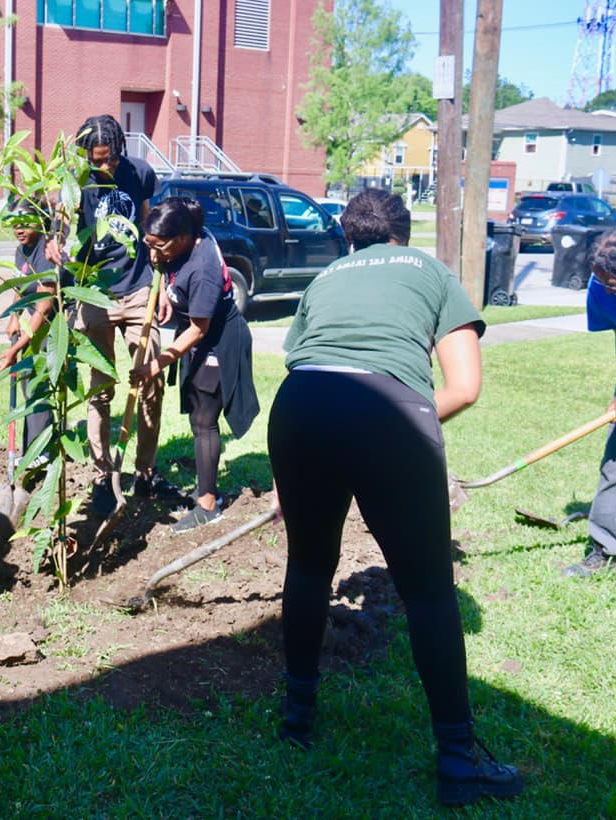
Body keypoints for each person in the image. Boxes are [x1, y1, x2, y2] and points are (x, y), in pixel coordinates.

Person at [266, 189, 522, 806]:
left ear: (347, 238)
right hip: (385, 411)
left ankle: (297, 718)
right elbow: (464, 386)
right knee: (430, 589)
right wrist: (401, 435)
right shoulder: (430, 270)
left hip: (299, 410)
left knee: (307, 565)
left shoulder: (326, 276)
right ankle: (459, 761)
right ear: (402, 235)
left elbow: (305, 364)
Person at [46, 114, 172, 512]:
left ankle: (145, 472)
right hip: (94, 293)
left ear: (122, 149)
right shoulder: (76, 181)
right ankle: (103, 474)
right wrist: (56, 244)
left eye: (110, 159)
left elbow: (155, 230)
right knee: (100, 388)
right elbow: (62, 230)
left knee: (151, 383)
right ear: (84, 155)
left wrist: (162, 283)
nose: (104, 167)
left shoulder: (141, 173)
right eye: (96, 160)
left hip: (139, 291)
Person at [129, 198, 259, 531]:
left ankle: (207, 504)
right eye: (149, 245)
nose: (154, 255)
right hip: (198, 334)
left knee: (204, 418)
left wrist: (155, 365)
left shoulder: (203, 271)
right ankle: (206, 492)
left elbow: (199, 329)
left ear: (185, 237)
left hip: (218, 339)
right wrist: (165, 294)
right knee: (198, 411)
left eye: (160, 247)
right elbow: (164, 268)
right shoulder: (180, 238)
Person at [565, 228, 616, 577]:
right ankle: (607, 553)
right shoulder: (601, 289)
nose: (607, 289)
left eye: (614, 283)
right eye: (602, 282)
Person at [0, 200, 73, 455]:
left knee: (38, 387)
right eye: (14, 223)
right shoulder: (23, 249)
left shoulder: (46, 252)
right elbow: (21, 284)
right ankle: (31, 450)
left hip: (52, 326)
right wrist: (14, 315)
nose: (19, 229)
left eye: (25, 222)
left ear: (40, 221)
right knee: (29, 385)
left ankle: (42, 454)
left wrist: (16, 348)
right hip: (32, 322)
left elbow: (44, 306)